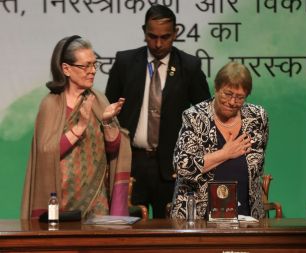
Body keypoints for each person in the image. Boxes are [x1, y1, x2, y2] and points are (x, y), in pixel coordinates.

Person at [105, 4, 211, 218]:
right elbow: (108, 110)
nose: (158, 43)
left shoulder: (189, 67)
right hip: (131, 162)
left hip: (171, 167)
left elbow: (206, 117)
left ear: (175, 33)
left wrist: (190, 158)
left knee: (169, 235)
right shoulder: (125, 62)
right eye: (152, 36)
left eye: (165, 37)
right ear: (144, 32)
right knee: (127, 233)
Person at [21, 35, 131, 219]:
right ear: (66, 69)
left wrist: (107, 121)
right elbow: (46, 152)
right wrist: (80, 126)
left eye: (94, 64)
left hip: (97, 200)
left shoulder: (98, 99)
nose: (93, 71)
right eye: (85, 66)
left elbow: (113, 149)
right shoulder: (51, 104)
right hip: (62, 200)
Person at [170, 61, 269, 219]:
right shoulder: (195, 116)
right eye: (227, 94)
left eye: (239, 97)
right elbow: (182, 167)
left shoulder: (257, 117)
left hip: (246, 215)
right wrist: (225, 153)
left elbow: (258, 166)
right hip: (198, 216)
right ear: (216, 88)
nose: (232, 102)